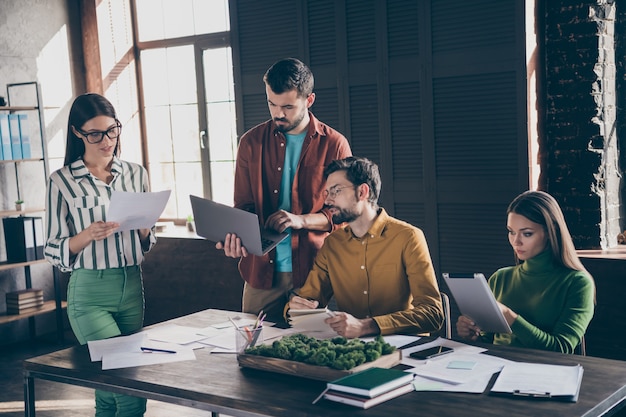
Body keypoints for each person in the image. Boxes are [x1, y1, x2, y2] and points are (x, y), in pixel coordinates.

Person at [45, 93, 155, 417]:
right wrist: (85, 236)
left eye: (112, 130)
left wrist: (146, 230)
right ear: (77, 133)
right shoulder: (61, 182)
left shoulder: (136, 174)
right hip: (90, 293)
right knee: (130, 389)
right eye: (95, 134)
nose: (107, 140)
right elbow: (51, 248)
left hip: (133, 287)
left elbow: (147, 240)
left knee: (108, 393)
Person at [216, 57, 352, 322]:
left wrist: (300, 220)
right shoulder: (250, 143)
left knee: (307, 353)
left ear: (309, 100)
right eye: (272, 104)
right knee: (252, 351)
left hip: (314, 272)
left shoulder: (335, 144)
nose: (278, 113)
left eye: (288, 106)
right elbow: (244, 206)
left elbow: (343, 214)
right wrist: (236, 238)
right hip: (260, 272)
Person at [287, 156, 444, 338]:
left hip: (405, 350)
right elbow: (309, 298)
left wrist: (367, 326)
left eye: (336, 191)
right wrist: (296, 306)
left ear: (362, 192)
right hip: (353, 351)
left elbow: (433, 314)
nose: (327, 200)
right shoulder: (332, 244)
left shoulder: (408, 237)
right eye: (326, 193)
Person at [456, 190, 595, 353]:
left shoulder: (577, 282)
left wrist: (510, 317)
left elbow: (560, 349)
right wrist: (473, 335)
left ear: (551, 232)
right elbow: (489, 341)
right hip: (498, 368)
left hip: (545, 373)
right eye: (511, 232)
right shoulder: (500, 277)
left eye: (527, 233)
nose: (516, 241)